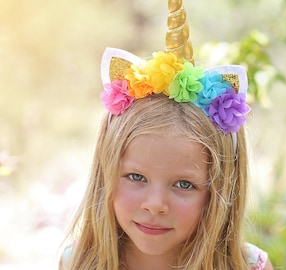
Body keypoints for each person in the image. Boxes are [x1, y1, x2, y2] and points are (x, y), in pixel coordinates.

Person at [59, 1, 274, 269]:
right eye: (136, 177)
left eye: (184, 184)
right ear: (106, 172)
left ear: (218, 190)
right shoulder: (78, 263)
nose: (155, 205)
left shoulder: (247, 266)